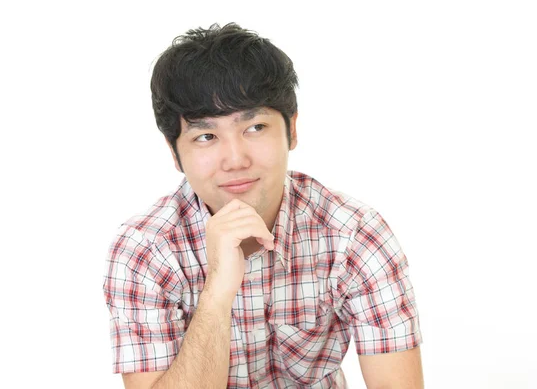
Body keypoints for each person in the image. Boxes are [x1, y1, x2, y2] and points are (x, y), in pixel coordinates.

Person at [103, 23, 424, 389]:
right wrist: (218, 291)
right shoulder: (145, 250)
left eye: (254, 127)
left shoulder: (355, 234)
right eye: (206, 136)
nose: (235, 159)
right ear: (175, 153)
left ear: (292, 129)